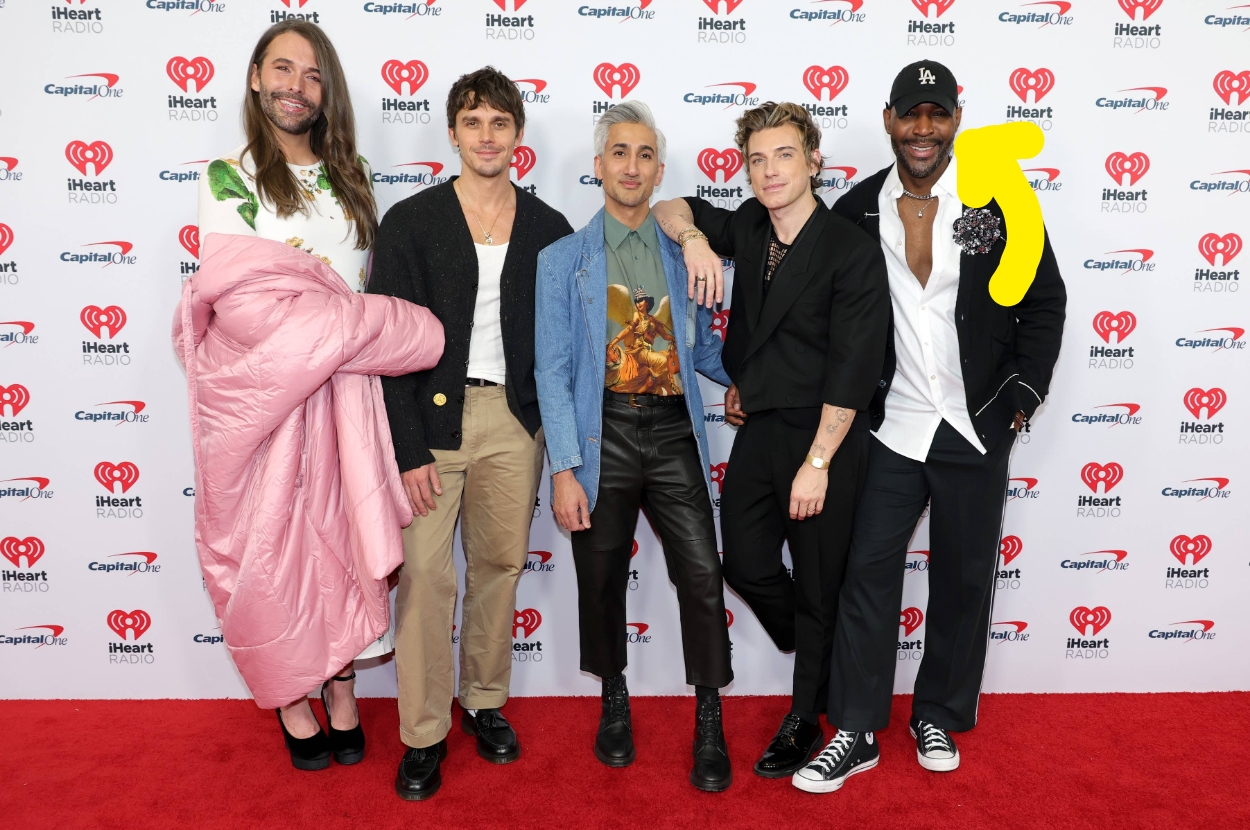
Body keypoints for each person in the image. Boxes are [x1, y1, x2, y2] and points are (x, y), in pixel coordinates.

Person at [793, 60, 1066, 793]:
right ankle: (855, 726)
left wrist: (1020, 397)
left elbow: (1045, 302)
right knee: (867, 572)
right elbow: (797, 278)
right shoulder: (851, 212)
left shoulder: (997, 206)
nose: (922, 129)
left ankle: (938, 711)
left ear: (955, 120)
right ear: (888, 120)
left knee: (965, 576)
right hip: (894, 426)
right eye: (910, 115)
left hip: (974, 425)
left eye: (936, 115)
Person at [186, 19, 444, 771]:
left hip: (344, 403)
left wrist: (355, 329)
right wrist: (386, 329)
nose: (295, 86)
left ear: (326, 89)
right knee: (273, 547)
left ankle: (339, 679)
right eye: (282, 69)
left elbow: (359, 288)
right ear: (255, 78)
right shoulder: (226, 176)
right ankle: (292, 692)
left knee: (335, 540)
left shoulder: (351, 174)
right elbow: (244, 305)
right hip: (263, 399)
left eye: (311, 74)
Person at [652, 102, 890, 781]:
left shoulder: (849, 249)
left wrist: (818, 463)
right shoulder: (752, 224)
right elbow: (673, 205)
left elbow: (854, 368)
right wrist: (696, 241)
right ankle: (818, 645)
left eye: (784, 155)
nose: (769, 169)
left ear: (814, 161)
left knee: (818, 584)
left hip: (827, 436)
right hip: (759, 426)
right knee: (747, 561)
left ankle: (803, 713)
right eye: (756, 159)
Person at [367, 67, 573, 802]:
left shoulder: (551, 228)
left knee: (499, 568)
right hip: (430, 426)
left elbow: (563, 348)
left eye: (501, 123)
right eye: (473, 122)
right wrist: (407, 446)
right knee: (425, 577)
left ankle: (483, 702)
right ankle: (422, 733)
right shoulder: (411, 222)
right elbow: (383, 347)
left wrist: (555, 440)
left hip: (515, 426)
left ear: (519, 135)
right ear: (452, 134)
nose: (487, 136)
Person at [534, 101, 735, 793]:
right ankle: (613, 698)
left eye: (645, 155)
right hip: (603, 434)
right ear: (598, 167)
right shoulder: (562, 261)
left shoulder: (684, 254)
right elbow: (552, 370)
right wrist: (565, 467)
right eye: (620, 152)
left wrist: (746, 387)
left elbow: (704, 348)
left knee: (703, 576)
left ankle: (709, 715)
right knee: (601, 577)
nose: (631, 166)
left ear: (658, 171)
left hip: (676, 429)